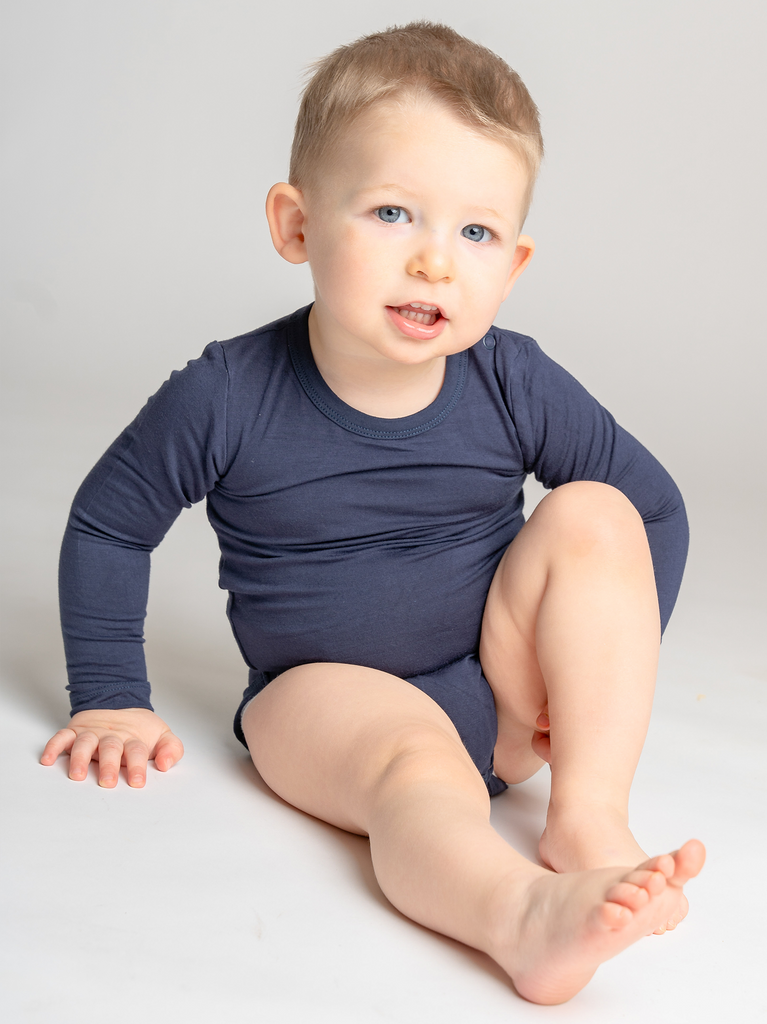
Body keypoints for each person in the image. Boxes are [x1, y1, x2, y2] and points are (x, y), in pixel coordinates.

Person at [40, 21, 705, 1004]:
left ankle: (588, 813)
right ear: (296, 225)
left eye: (473, 232)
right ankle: (518, 916)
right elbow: (109, 523)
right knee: (412, 769)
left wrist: (589, 686)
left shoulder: (511, 377)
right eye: (394, 213)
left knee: (596, 509)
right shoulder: (226, 393)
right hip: (324, 704)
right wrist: (109, 693)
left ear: (511, 266)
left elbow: (653, 513)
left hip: (506, 696)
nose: (436, 262)